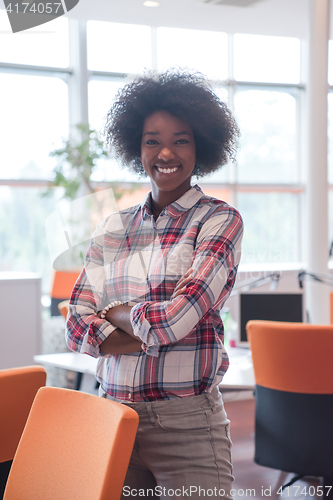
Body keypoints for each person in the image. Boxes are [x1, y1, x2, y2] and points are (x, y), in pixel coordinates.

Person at [66, 70, 243, 499]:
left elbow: (174, 322)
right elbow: (75, 324)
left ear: (200, 145)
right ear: (137, 147)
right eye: (152, 140)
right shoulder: (113, 227)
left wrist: (114, 313)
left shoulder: (218, 220)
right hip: (113, 417)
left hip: (187, 426)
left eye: (180, 139)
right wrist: (146, 330)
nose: (166, 151)